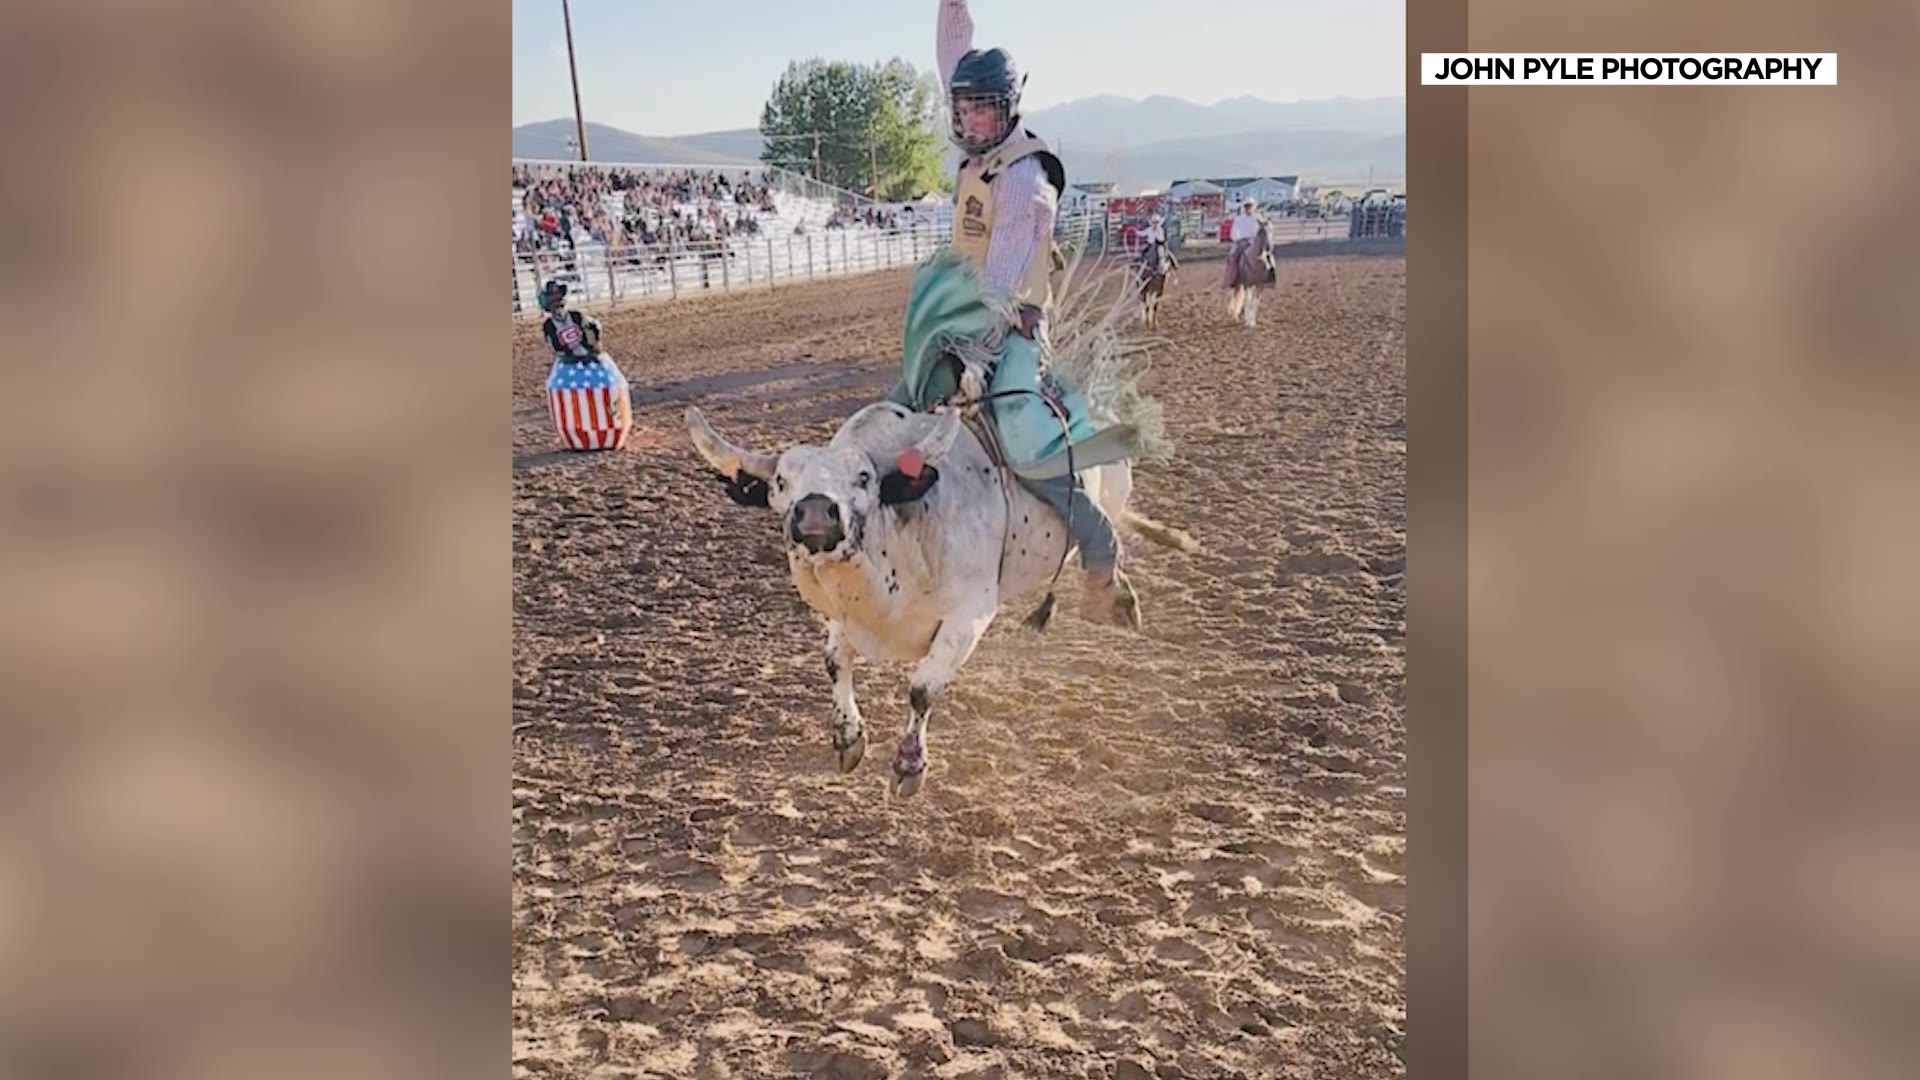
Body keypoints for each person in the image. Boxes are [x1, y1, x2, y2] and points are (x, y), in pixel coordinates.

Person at [882, 0, 1135, 628]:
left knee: (1024, 440)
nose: (969, 118)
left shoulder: (1025, 180)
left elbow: (1002, 276)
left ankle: (1099, 548)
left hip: (1014, 327)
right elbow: (952, 49)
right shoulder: (978, 138)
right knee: (900, 403)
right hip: (961, 317)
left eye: (981, 108)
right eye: (962, 108)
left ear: (1007, 107)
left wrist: (975, 351)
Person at [538, 279, 602, 361]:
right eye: (553, 297)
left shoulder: (576, 316)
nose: (557, 301)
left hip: (586, 357)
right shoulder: (548, 325)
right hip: (567, 362)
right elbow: (552, 348)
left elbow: (595, 325)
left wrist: (597, 342)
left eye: (558, 296)